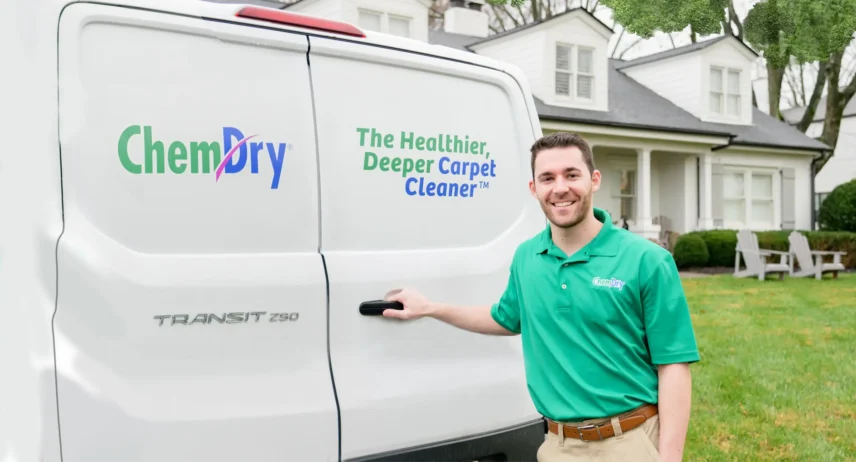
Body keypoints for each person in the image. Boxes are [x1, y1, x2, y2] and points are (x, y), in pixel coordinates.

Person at [383, 132, 700, 462]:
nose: (560, 188)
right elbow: (504, 318)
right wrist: (431, 308)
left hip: (629, 441)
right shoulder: (527, 257)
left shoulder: (647, 260)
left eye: (571, 175)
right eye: (547, 178)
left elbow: (673, 364)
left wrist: (670, 457)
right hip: (557, 446)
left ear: (594, 180)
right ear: (534, 189)